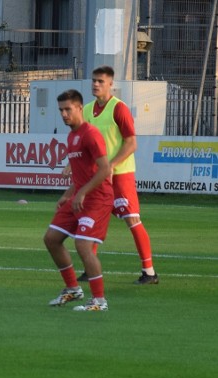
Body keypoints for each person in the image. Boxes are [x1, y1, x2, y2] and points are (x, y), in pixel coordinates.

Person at [77, 66, 158, 285]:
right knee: (92, 218)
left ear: (110, 84)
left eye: (100, 81)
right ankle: (89, 267)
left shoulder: (118, 109)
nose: (95, 84)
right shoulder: (85, 110)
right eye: (93, 80)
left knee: (132, 220)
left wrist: (111, 165)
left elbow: (131, 143)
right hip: (98, 177)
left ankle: (149, 272)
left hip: (120, 174)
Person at [45, 89, 113, 311]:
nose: (64, 114)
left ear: (79, 108)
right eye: (61, 110)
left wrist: (82, 192)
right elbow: (81, 174)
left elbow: (105, 169)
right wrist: (68, 194)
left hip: (97, 198)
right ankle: (73, 289)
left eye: (68, 109)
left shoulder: (90, 134)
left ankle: (99, 301)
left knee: (82, 244)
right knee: (51, 238)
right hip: (79, 196)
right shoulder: (71, 136)